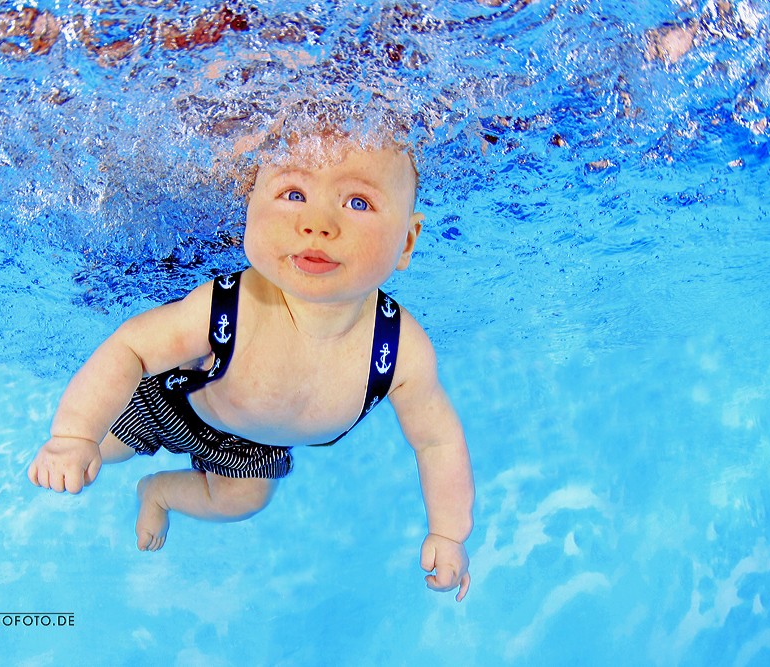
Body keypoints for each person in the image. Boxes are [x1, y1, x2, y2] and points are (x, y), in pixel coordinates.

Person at [27, 132, 475, 600]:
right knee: (104, 450)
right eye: (294, 194)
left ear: (406, 241)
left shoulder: (400, 349)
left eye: (358, 202)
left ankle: (157, 492)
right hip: (173, 406)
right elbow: (131, 348)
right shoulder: (227, 307)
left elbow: (437, 440)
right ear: (249, 211)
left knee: (245, 501)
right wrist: (72, 436)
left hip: (253, 451)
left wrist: (450, 533)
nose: (317, 224)